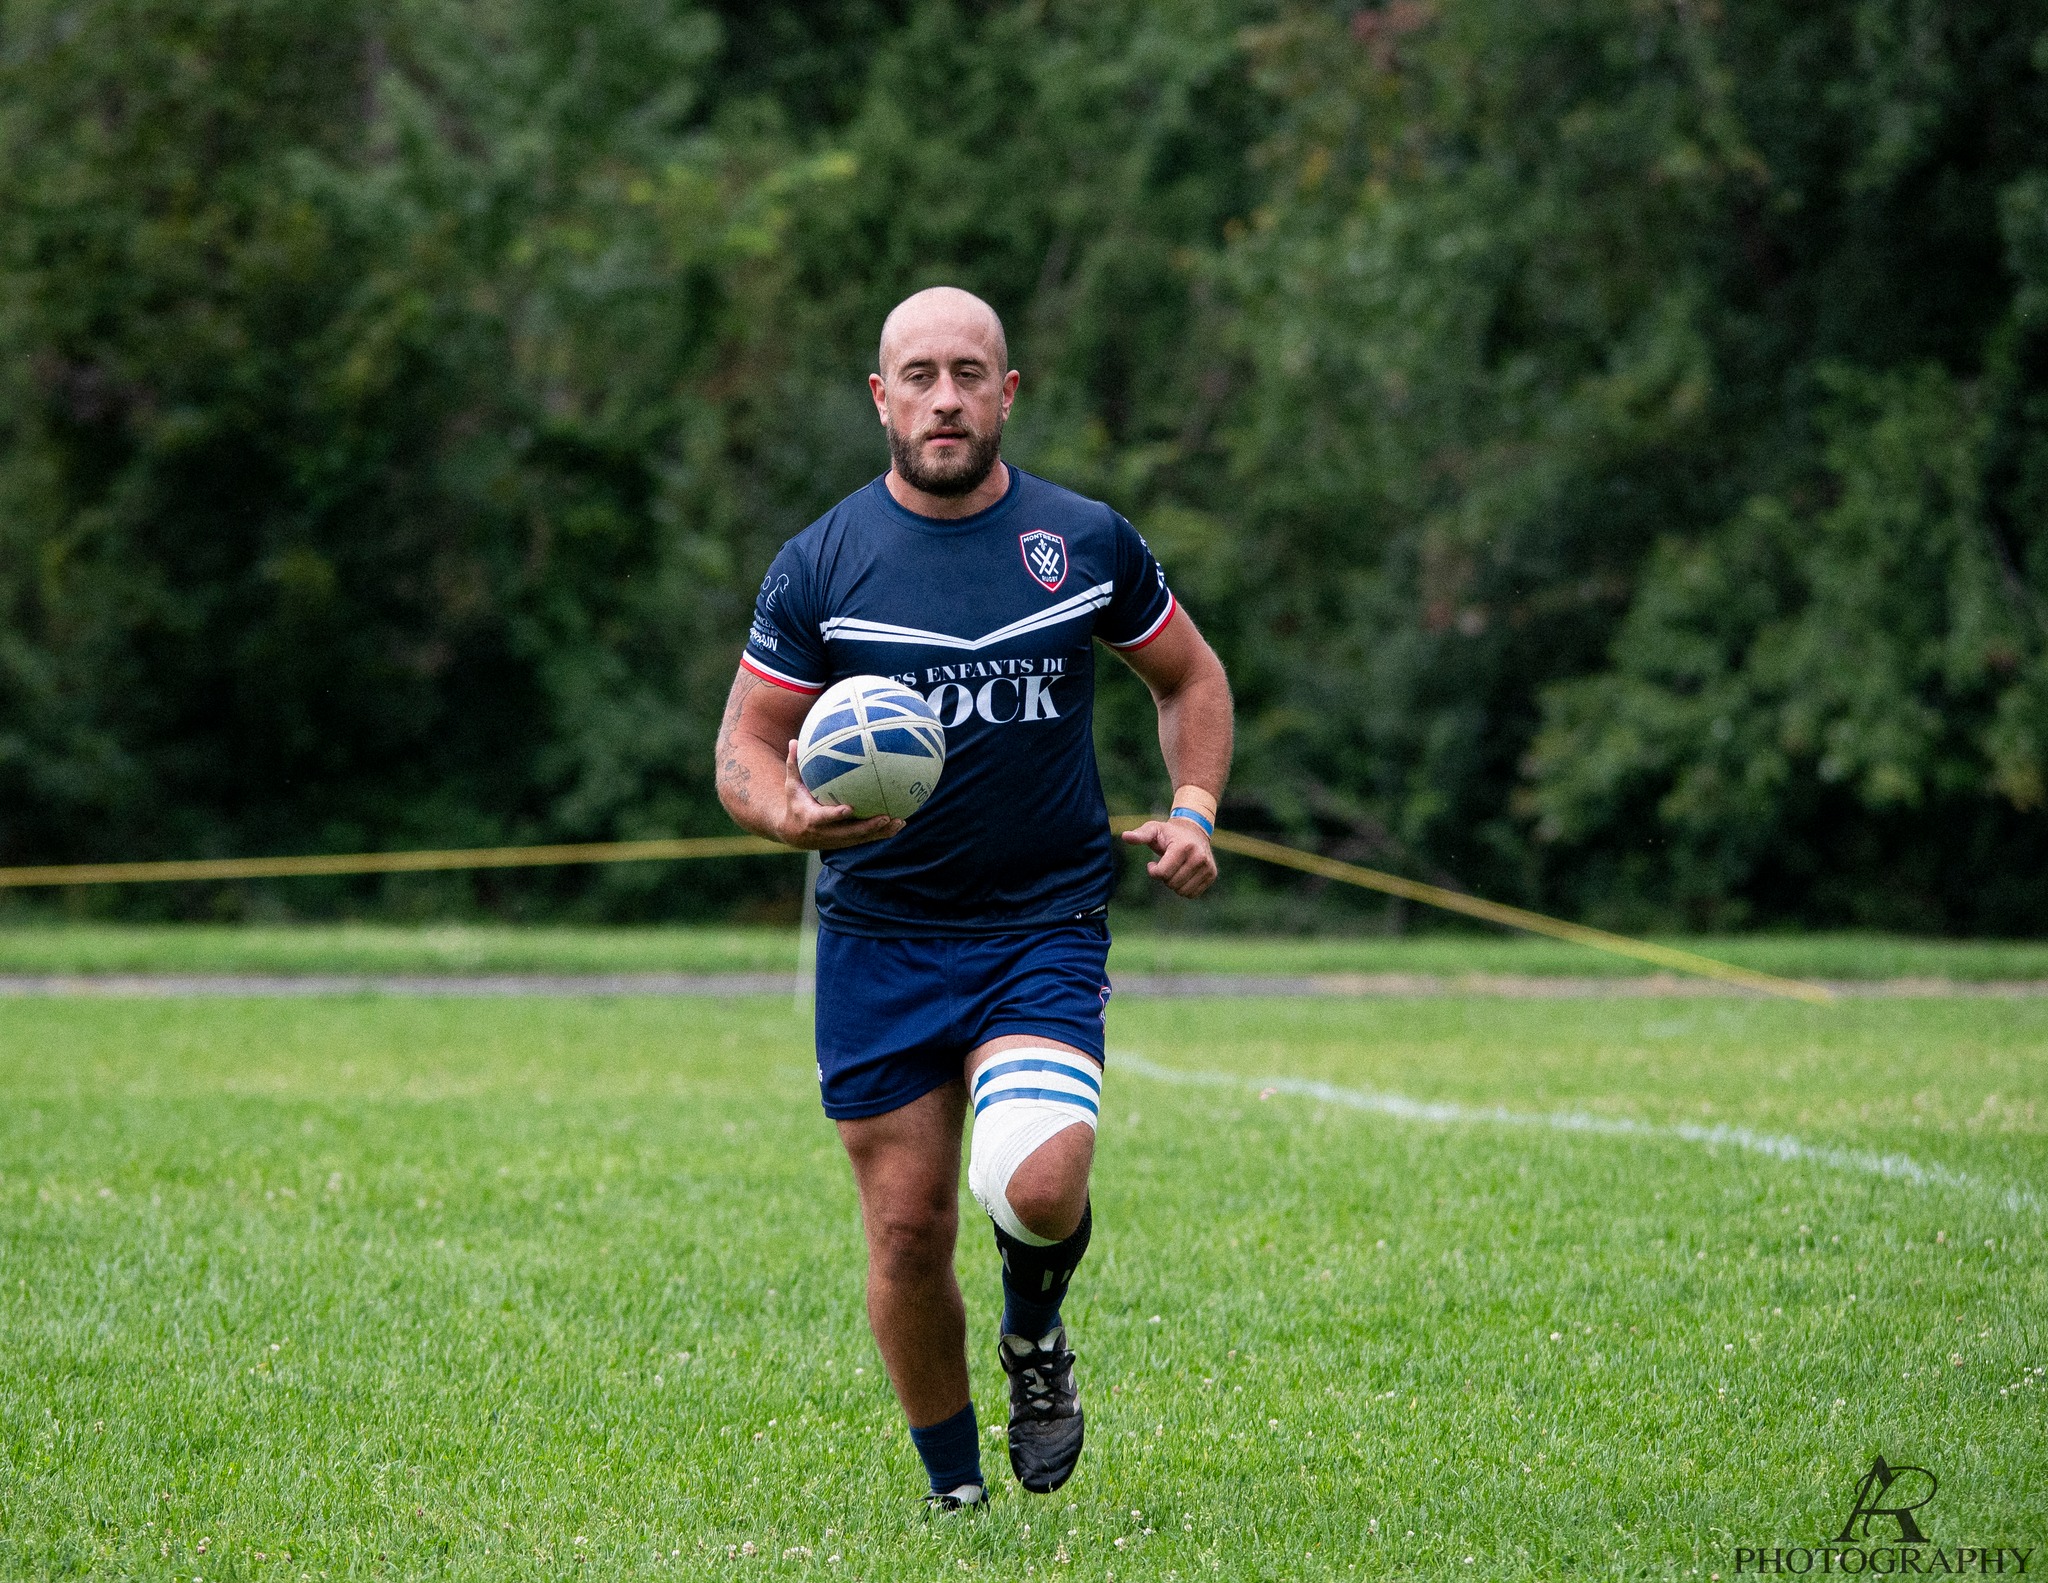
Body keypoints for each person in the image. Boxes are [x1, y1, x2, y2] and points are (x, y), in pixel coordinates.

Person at [713, 285, 1233, 1510]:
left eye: (968, 372)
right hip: (880, 937)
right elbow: (745, 745)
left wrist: (1196, 804)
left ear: (1008, 392)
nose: (943, 396)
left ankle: (1034, 1337)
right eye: (918, 374)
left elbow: (1188, 675)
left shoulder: (1083, 541)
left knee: (1041, 1183)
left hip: (1038, 923)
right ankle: (955, 1496)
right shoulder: (823, 561)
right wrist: (785, 809)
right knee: (904, 1232)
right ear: (880, 397)